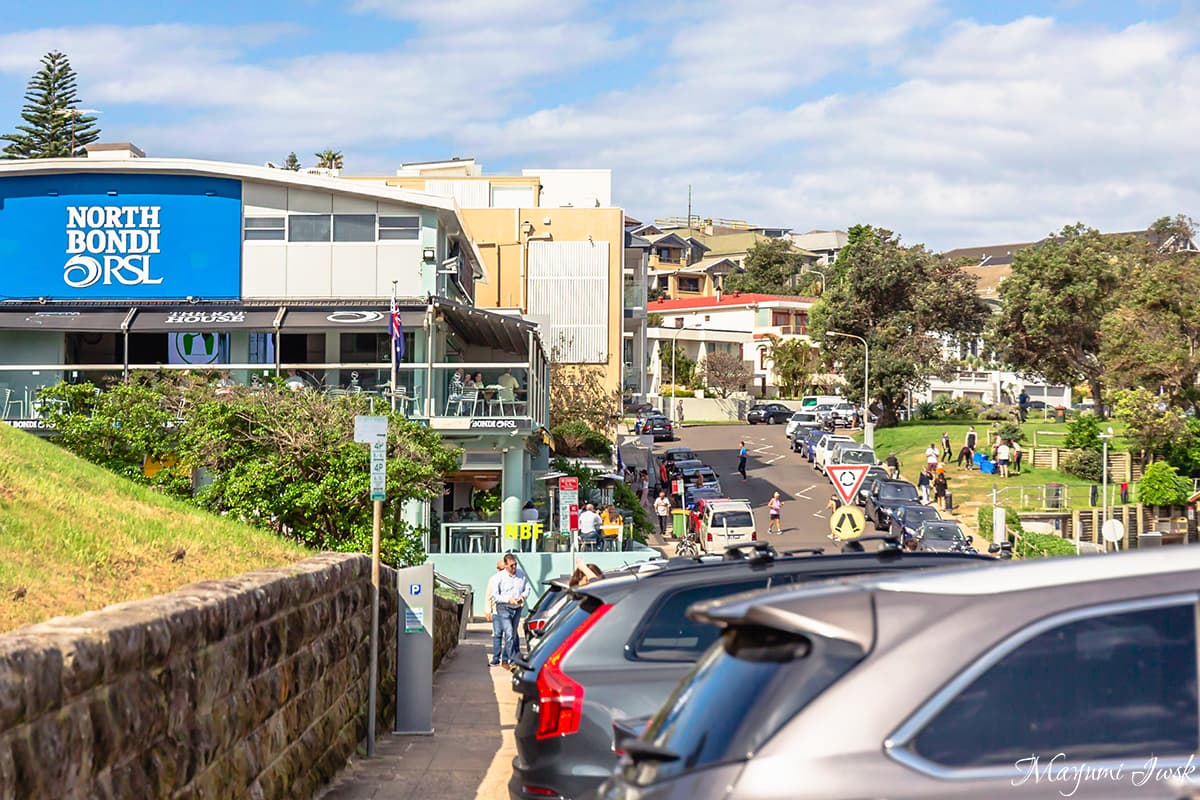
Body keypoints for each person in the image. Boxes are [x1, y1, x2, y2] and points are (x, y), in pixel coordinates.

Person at [491, 554, 530, 667]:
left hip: (516, 608)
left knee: (512, 634)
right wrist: (508, 599)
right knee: (508, 633)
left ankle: (505, 658)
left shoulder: (521, 574)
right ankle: (513, 661)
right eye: (511, 565)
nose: (514, 568)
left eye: (515, 565)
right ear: (506, 565)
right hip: (503, 608)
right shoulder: (499, 577)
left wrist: (523, 596)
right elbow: (495, 595)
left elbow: (527, 587)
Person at [484, 559, 507, 666]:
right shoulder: (493, 579)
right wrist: (488, 610)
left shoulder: (511, 578)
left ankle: (506, 659)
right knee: (497, 634)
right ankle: (496, 658)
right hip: (497, 611)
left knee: (509, 635)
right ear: (498, 569)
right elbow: (488, 596)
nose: (503, 571)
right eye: (501, 569)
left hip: (509, 610)